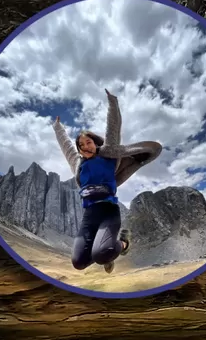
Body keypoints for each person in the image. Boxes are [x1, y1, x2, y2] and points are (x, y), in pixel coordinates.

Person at [53, 89, 163, 274]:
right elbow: (65, 145)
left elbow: (113, 127)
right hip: (90, 215)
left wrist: (112, 102)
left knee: (101, 253)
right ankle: (107, 253)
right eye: (81, 145)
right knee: (78, 263)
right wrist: (58, 128)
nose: (85, 146)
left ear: (95, 143)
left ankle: (123, 243)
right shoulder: (77, 164)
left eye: (88, 142)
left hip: (109, 212)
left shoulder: (109, 154)